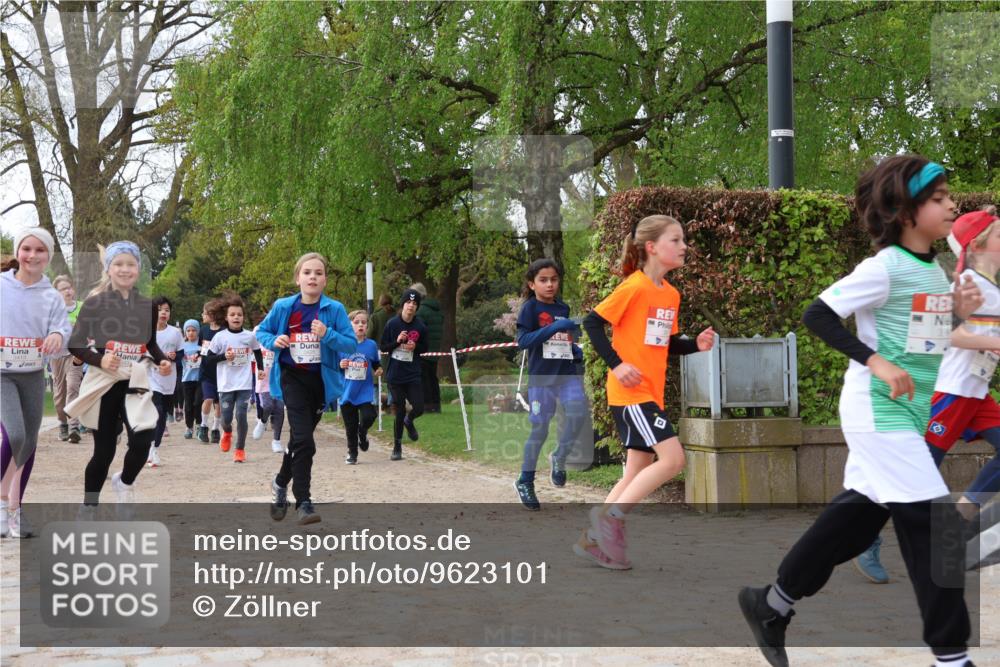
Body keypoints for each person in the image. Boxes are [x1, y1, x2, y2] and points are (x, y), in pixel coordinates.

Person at [738, 156, 982, 667]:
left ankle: (772, 604)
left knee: (855, 519)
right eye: (938, 199)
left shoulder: (931, 270)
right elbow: (818, 314)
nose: (951, 204)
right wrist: (876, 361)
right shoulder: (884, 266)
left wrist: (960, 314)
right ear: (906, 211)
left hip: (907, 414)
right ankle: (953, 657)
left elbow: (924, 341)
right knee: (935, 527)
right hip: (878, 411)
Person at [855, 207, 1000, 582]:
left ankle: (961, 518)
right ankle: (866, 537)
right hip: (949, 393)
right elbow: (935, 333)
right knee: (913, 473)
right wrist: (991, 341)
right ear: (981, 245)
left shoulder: (990, 283)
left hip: (976, 393)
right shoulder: (962, 284)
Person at [578, 216, 714, 568]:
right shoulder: (633, 287)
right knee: (673, 460)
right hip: (631, 394)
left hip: (650, 394)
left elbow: (665, 343)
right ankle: (611, 520)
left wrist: (694, 345)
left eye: (683, 240)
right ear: (652, 247)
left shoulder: (671, 294)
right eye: (676, 239)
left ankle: (593, 541)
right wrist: (617, 364)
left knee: (637, 470)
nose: (684, 246)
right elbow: (592, 323)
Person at [67, 241, 172, 509]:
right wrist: (100, 359)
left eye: (130, 264)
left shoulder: (147, 306)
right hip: (104, 382)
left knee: (142, 440)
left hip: (134, 379)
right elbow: (75, 344)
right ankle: (89, 506)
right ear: (109, 269)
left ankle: (124, 483)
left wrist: (162, 361)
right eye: (118, 264)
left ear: (138, 268)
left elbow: (150, 343)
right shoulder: (95, 303)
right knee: (104, 452)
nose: (125, 269)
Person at [256, 253, 355, 525]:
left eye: (319, 273)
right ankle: (303, 502)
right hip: (291, 378)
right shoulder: (283, 306)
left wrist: (328, 334)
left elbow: (350, 345)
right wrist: (275, 340)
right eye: (307, 272)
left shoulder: (334, 310)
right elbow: (261, 332)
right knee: (305, 442)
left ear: (325, 280)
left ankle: (279, 484)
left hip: (320, 383)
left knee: (299, 441)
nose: (313, 277)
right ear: (298, 277)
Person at [0, 228, 71, 537]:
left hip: (31, 374)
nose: (32, 255)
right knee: (15, 435)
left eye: (39, 250)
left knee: (29, 443)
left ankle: (14, 513)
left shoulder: (51, 295)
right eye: (26, 248)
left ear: (48, 256)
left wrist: (56, 335)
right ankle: (2, 504)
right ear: (18, 252)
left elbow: (62, 327)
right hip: (2, 373)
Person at [512, 259, 587, 510]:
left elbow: (562, 340)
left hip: (566, 375)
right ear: (532, 284)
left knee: (578, 414)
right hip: (542, 379)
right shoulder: (529, 309)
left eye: (554, 279)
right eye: (543, 280)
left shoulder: (563, 308)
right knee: (540, 431)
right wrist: (555, 327)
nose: (549, 284)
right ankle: (525, 480)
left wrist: (575, 349)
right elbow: (524, 341)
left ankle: (560, 455)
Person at [205, 296, 262, 463]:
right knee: (227, 418)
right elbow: (208, 359)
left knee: (242, 415)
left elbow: (257, 351)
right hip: (226, 384)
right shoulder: (220, 337)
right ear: (226, 318)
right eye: (233, 314)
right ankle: (227, 432)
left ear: (243, 317)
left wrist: (260, 369)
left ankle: (240, 449)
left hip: (244, 383)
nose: (236, 317)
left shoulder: (249, 336)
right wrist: (224, 356)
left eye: (239, 314)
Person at [380, 289, 429, 461]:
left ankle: (410, 420)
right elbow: (383, 347)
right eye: (408, 303)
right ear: (403, 305)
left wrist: (415, 347)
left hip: (412, 373)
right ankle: (397, 446)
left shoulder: (420, 326)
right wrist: (397, 342)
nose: (411, 306)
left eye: (415, 304)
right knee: (399, 409)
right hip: (395, 375)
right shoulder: (392, 324)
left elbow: (425, 348)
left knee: (419, 407)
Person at [339, 310, 382, 464]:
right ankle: (352, 453)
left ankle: (362, 432)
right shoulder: (343, 343)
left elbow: (376, 363)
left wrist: (378, 369)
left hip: (364, 391)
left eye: (363, 322)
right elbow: (335, 365)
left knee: (370, 416)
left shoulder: (371, 345)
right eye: (357, 322)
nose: (360, 325)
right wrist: (340, 364)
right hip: (347, 391)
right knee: (350, 427)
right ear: (350, 325)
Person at [146, 296, 184, 467]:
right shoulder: (145, 332)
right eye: (160, 309)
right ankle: (150, 448)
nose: (163, 313)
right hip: (150, 376)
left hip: (169, 378)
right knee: (158, 410)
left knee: (162, 418)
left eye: (167, 310)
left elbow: (182, 354)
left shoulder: (175, 333)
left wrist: (175, 356)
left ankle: (155, 447)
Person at [50, 275, 84, 443]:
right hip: (56, 355)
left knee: (73, 387)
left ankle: (74, 427)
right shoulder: (51, 310)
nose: (68, 291)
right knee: (60, 394)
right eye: (63, 289)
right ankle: (63, 423)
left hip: (76, 354)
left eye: (69, 287)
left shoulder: (82, 308)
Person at [412, 283, 443, 413]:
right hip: (435, 348)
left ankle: (427, 405)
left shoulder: (420, 312)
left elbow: (417, 331)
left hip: (423, 349)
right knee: (433, 377)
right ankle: (436, 404)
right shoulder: (437, 310)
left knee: (424, 378)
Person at [198, 299, 224, 444]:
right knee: (207, 398)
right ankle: (203, 426)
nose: (202, 315)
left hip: (220, 372)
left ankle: (215, 428)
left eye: (205, 312)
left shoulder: (224, 331)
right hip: (206, 371)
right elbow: (200, 347)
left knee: (218, 402)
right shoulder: (203, 330)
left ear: (213, 315)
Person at [180, 319, 203, 439]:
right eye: (188, 330)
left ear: (198, 331)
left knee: (198, 403)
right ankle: (189, 427)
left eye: (194, 330)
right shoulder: (182, 346)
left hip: (199, 379)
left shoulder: (202, 346)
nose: (191, 333)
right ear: (185, 332)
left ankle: (199, 425)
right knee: (188, 405)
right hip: (186, 379)